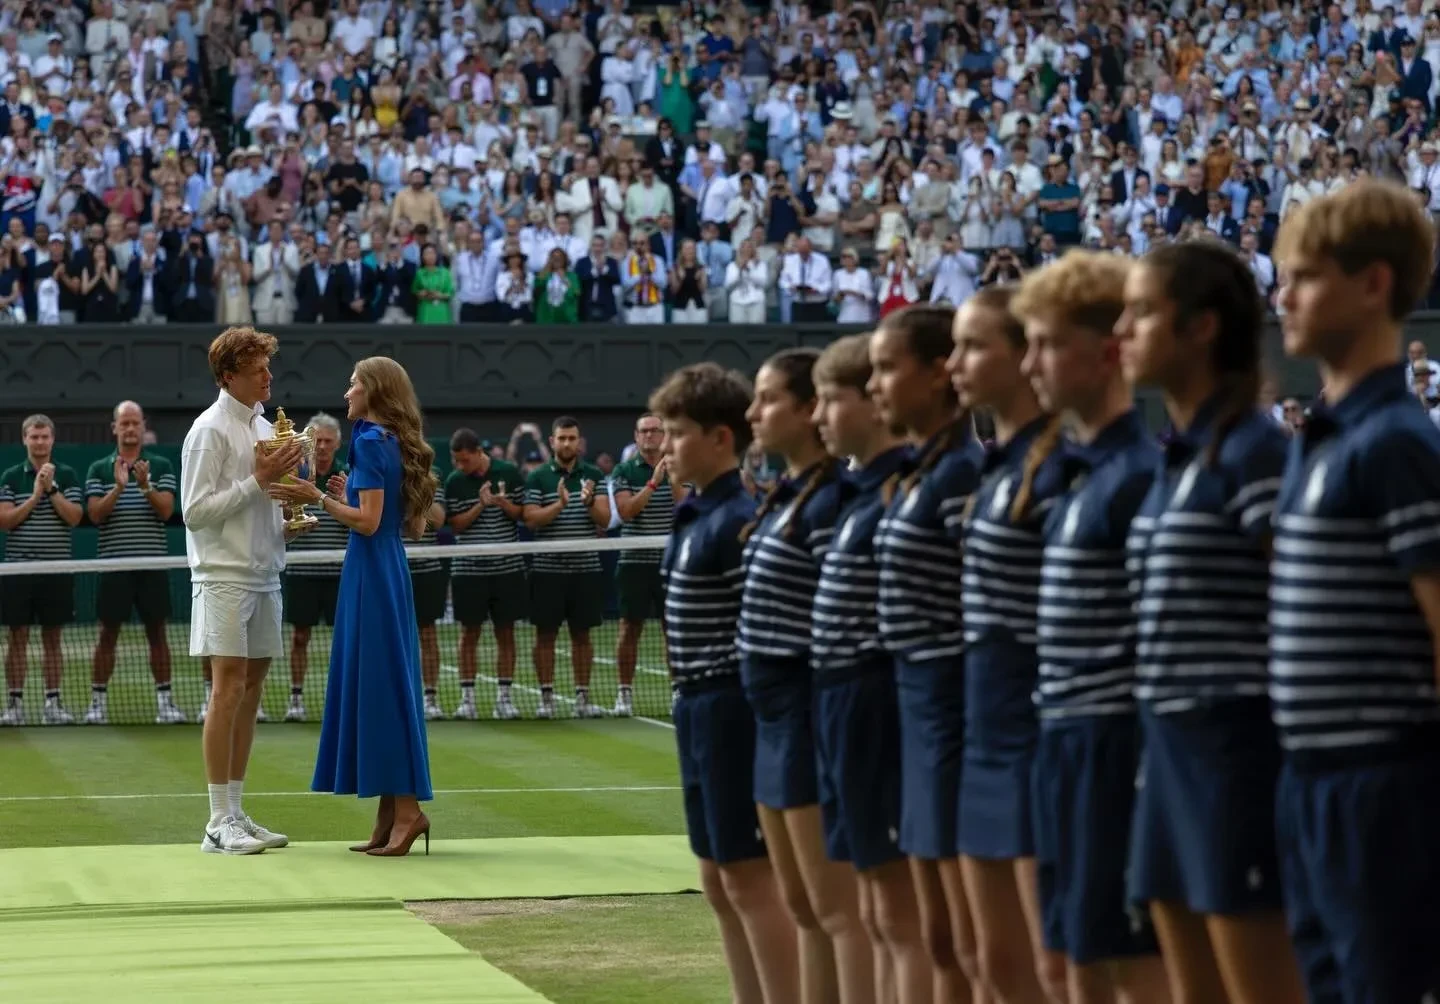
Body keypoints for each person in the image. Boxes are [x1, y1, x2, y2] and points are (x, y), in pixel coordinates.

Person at [1116, 240, 1306, 1003]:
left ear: (1200, 328)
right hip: (1166, 749)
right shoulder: (1179, 459)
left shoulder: (1258, 455)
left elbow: (1299, 613)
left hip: (1236, 756)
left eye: (1141, 313)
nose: (1121, 330)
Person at [1268, 180, 1440, 1002]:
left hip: (1384, 790)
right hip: (1309, 782)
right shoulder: (1321, 439)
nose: (1283, 298)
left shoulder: (1396, 442)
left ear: (1373, 284)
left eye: (1305, 278)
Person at [1010, 252, 1172, 1002]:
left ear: (1108, 351)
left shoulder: (1136, 476)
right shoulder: (1080, 477)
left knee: (1132, 972)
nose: (1031, 364)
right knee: (1070, 965)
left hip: (1115, 753)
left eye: (1047, 345)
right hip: (1063, 743)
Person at [650, 361, 800, 1004]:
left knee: (747, 875)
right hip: (693, 704)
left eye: (679, 433)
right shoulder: (694, 516)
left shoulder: (738, 521)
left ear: (720, 438)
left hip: (729, 706)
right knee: (716, 878)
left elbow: (757, 630)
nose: (667, 445)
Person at [739, 348, 871, 1004]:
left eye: (768, 400)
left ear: (809, 409)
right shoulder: (787, 499)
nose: (753, 413)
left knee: (837, 910)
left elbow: (843, 624)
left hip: (807, 715)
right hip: (771, 721)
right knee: (802, 906)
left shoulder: (833, 503)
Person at [947, 288, 1065, 1004]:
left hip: (1037, 739)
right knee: (989, 962)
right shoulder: (996, 469)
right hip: (984, 734)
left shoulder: (1061, 469)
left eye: (973, 347)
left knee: (1053, 969)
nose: (955, 365)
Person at [272, 356, 436, 857]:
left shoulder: (368, 441)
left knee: (381, 687)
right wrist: (348, 498)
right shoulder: (389, 440)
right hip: (385, 568)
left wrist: (314, 496)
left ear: (374, 391)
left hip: (371, 572)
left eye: (353, 385)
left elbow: (367, 522)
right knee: (381, 684)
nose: (346, 393)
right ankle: (390, 815)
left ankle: (407, 813)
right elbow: (407, 524)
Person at [868, 304, 985, 1004]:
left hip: (950, 715)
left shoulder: (961, 474)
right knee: (940, 936)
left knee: (973, 944)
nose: (875, 385)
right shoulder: (921, 474)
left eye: (888, 368)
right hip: (915, 712)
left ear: (937, 374)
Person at [809, 333, 910, 1004]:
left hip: (882, 711)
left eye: (830, 399)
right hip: (838, 707)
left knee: (900, 920)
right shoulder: (856, 495)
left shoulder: (902, 493)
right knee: (864, 910)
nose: (819, 416)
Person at [181, 326, 303, 855]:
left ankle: (234, 811)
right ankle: (216, 821)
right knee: (227, 689)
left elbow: (262, 504)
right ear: (229, 376)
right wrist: (258, 479)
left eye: (268, 368)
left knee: (250, 694)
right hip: (222, 576)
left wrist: (290, 520)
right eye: (257, 371)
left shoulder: (266, 427)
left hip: (265, 573)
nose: (268, 377)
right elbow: (194, 512)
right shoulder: (207, 430)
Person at [85, 400, 184, 726]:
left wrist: (144, 486)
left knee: (158, 634)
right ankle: (97, 705)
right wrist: (118, 488)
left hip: (151, 565)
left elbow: (166, 511)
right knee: (107, 634)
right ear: (115, 428)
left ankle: (165, 704)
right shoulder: (99, 468)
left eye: (135, 423)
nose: (129, 428)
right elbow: (95, 514)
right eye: (124, 423)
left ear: (143, 427)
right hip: (113, 566)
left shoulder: (161, 465)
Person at [522, 417, 611, 719]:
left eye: (572, 438)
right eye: (562, 438)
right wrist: (559, 505)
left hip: (585, 569)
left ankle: (582, 698)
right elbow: (530, 519)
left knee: (582, 636)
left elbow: (605, 519)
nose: (567, 443)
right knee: (545, 636)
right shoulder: (538, 477)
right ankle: (546, 699)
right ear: (552, 442)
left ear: (579, 441)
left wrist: (589, 502)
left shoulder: (593, 475)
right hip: (547, 570)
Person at [0, 414, 83, 726]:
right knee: (17, 637)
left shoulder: (68, 475)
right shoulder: (11, 477)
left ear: (52, 440)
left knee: (53, 639)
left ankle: (52, 704)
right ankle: (14, 706)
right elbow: (5, 521)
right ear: (25, 439)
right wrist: (35, 494)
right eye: (34, 436)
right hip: (18, 571)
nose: (39, 442)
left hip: (56, 570)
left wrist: (51, 490)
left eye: (44, 436)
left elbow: (75, 517)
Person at [445, 427, 527, 721]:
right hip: (469, 570)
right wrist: (481, 504)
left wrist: (504, 504)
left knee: (506, 633)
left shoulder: (509, 473)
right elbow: (456, 526)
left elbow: (522, 515)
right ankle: (467, 700)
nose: (460, 465)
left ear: (479, 452)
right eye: (456, 460)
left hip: (507, 569)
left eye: (465, 460)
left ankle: (504, 699)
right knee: (469, 634)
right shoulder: (455, 481)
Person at [610, 412, 685, 717]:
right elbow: (626, 511)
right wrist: (653, 483)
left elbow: (685, 507)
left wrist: (673, 475)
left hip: (671, 561)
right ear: (636, 436)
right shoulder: (624, 470)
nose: (650, 435)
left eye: (655, 430)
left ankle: (678, 690)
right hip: (634, 561)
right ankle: (624, 693)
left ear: (664, 435)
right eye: (644, 431)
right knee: (629, 628)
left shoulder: (680, 464)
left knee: (673, 629)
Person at [281, 413, 348, 723]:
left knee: (343, 641)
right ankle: (296, 699)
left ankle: (342, 699)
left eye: (327, 441)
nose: (321, 447)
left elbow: (359, 516)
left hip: (339, 572)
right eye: (317, 440)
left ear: (337, 444)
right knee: (299, 637)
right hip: (302, 571)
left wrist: (341, 500)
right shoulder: (296, 473)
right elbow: (283, 513)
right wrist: (293, 518)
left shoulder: (347, 474)